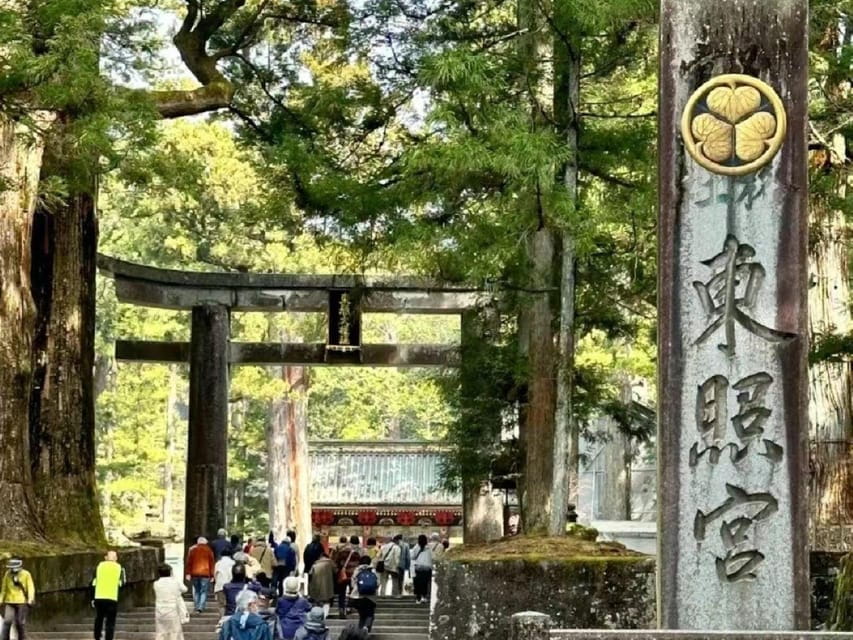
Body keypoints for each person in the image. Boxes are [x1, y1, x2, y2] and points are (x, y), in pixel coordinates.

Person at [92, 550, 126, 640]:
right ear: (116, 558)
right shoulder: (119, 568)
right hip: (112, 597)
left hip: (99, 597)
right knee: (110, 622)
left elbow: (93, 583)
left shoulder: (99, 566)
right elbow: (122, 583)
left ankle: (97, 636)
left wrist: (92, 598)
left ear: (106, 557)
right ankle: (108, 638)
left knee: (99, 618)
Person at [0, 558, 35, 640]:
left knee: (20, 623)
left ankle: (22, 638)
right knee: (7, 621)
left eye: (13, 567)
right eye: (10, 568)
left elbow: (30, 587)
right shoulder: (7, 574)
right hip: (9, 601)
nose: (11, 569)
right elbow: (4, 589)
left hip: (21, 601)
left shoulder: (26, 574)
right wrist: (1, 600)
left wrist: (30, 598)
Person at [154, 563, 188, 640]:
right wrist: (174, 577)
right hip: (172, 611)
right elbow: (185, 589)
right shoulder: (175, 582)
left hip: (160, 611)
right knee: (174, 633)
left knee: (160, 633)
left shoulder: (156, 584)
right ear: (170, 572)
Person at [185, 536, 215, 613]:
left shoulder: (192, 549)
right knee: (203, 591)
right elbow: (211, 563)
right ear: (205, 542)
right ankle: (200, 607)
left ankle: (196, 606)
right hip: (205, 573)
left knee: (196, 590)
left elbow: (189, 562)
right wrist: (212, 575)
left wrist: (188, 573)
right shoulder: (209, 550)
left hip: (194, 573)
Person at [348, 556, 378, 633]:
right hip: (370, 598)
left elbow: (352, 583)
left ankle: (360, 632)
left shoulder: (357, 570)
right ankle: (366, 628)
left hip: (358, 597)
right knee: (370, 615)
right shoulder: (373, 570)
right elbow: (377, 583)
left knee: (362, 615)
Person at [332, 538, 359, 619]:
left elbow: (336, 563)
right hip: (352, 576)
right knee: (351, 592)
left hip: (343, 576)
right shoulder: (356, 554)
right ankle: (349, 607)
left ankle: (341, 609)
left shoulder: (341, 553)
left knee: (342, 594)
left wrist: (338, 572)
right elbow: (357, 564)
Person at [308, 552, 335, 618]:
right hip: (328, 584)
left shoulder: (315, 563)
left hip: (316, 584)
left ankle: (317, 614)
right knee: (327, 600)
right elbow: (335, 571)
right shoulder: (330, 563)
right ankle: (325, 615)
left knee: (317, 600)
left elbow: (310, 573)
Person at [410, 535, 432, 604]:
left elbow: (412, 557)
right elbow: (432, 557)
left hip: (418, 568)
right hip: (427, 568)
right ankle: (424, 597)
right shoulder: (429, 548)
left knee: (417, 583)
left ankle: (418, 598)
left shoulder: (416, 547)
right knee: (425, 583)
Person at [215, 548, 237, 617]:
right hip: (232, 586)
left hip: (220, 585)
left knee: (221, 604)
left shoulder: (218, 563)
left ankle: (222, 619)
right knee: (231, 604)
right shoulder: (234, 563)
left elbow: (215, 574)